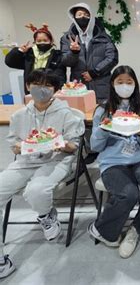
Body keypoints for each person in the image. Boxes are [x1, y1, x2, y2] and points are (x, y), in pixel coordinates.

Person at [0, 69, 85, 276]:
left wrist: (60, 145)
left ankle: (46, 215)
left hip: (56, 159)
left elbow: (74, 145)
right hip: (25, 161)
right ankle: (2, 261)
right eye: (37, 84)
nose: (41, 89)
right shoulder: (20, 115)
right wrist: (21, 147)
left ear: (55, 90)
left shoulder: (66, 114)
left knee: (36, 190)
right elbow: (14, 144)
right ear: (28, 86)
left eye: (47, 85)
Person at [88, 65, 140, 259]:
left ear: (135, 85)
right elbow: (95, 147)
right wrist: (103, 129)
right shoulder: (103, 110)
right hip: (112, 161)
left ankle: (137, 229)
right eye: (120, 82)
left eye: (129, 82)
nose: (124, 86)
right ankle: (102, 229)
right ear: (112, 84)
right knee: (128, 194)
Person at [60, 2, 119, 103]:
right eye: (79, 14)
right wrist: (74, 52)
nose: (83, 16)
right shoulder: (67, 38)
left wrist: (95, 72)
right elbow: (65, 62)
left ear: (91, 17)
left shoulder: (104, 37)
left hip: (101, 86)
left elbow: (113, 58)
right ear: (73, 17)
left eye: (86, 14)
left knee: (101, 115)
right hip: (77, 87)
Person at [5, 24, 66, 94]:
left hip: (50, 92)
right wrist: (19, 51)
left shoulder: (57, 55)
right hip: (31, 91)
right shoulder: (29, 54)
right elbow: (9, 62)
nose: (42, 42)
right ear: (35, 42)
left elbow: (60, 75)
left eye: (45, 40)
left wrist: (58, 90)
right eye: (39, 41)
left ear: (51, 41)